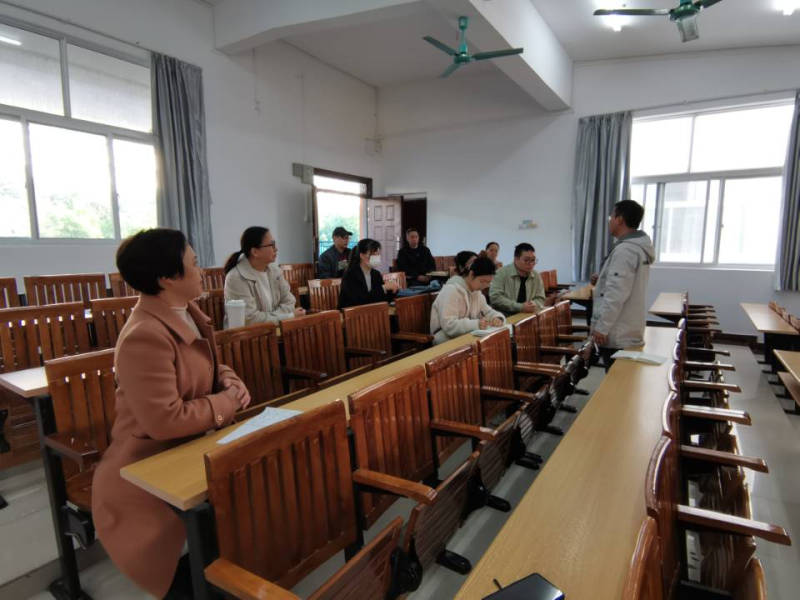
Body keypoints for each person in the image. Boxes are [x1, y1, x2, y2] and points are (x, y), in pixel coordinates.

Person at [92, 228, 251, 599]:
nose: (202, 270)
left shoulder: (186, 311)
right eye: (194, 263)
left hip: (192, 446)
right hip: (148, 466)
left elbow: (204, 366)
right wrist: (227, 402)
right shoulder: (144, 335)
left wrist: (229, 380)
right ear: (167, 278)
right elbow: (164, 420)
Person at [590, 200, 655, 371]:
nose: (609, 221)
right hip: (629, 326)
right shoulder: (637, 247)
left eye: (611, 216)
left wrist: (602, 328)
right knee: (624, 377)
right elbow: (625, 284)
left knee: (618, 379)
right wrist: (602, 279)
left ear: (619, 219)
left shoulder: (625, 250)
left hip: (618, 331)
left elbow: (616, 294)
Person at [222, 226, 305, 327]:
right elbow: (250, 320)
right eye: (271, 244)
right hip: (248, 336)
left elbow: (290, 301)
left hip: (274, 332)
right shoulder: (236, 278)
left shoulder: (274, 270)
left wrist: (273, 318)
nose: (276, 249)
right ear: (255, 252)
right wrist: (287, 316)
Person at [430, 256, 505, 345]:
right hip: (445, 338)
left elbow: (488, 312)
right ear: (471, 274)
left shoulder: (476, 292)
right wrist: (476, 324)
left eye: (488, 283)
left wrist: (497, 318)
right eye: (482, 281)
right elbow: (449, 325)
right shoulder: (451, 290)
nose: (485, 286)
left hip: (467, 335)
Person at [338, 238, 400, 309]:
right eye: (374, 254)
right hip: (350, 313)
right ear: (362, 255)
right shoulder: (350, 275)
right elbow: (360, 300)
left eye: (378, 254)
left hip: (370, 311)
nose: (377, 257)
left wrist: (392, 290)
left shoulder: (376, 274)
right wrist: (384, 288)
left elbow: (380, 297)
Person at [489, 243, 546, 316]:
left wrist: (533, 304)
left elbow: (541, 298)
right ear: (516, 259)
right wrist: (520, 307)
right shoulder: (501, 273)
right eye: (527, 260)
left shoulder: (536, 275)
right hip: (505, 317)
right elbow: (495, 298)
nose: (531, 263)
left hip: (528, 315)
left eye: (533, 260)